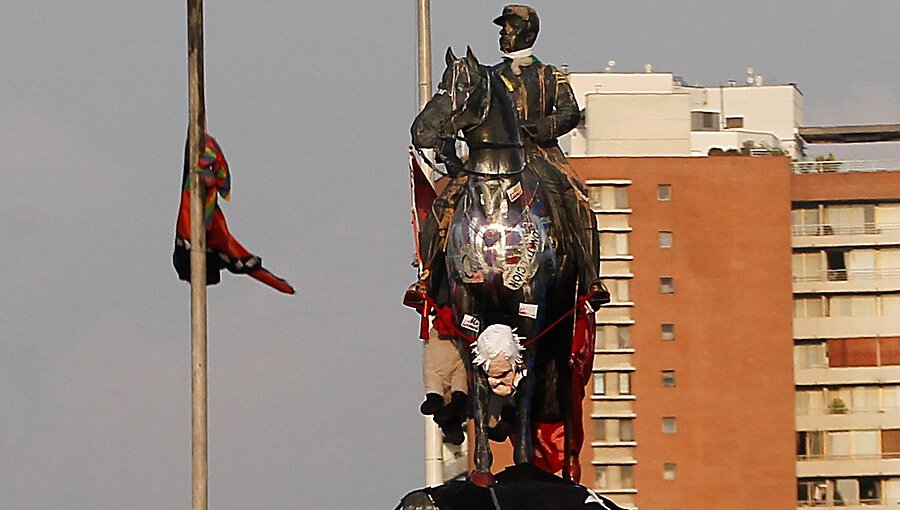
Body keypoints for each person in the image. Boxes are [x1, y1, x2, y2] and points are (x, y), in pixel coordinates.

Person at [410, 5, 607, 309]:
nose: (503, 33)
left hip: (540, 152)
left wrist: (536, 128)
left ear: (527, 31)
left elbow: (569, 113)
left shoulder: (550, 75)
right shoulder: (488, 77)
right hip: (490, 158)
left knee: (576, 199)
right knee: (446, 200)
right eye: (503, 28)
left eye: (509, 27)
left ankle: (591, 278)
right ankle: (427, 277)